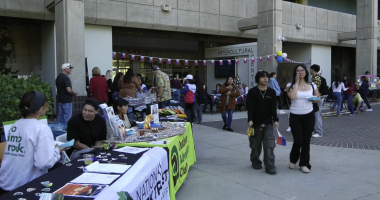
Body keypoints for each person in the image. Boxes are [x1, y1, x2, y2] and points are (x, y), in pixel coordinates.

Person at [0, 91, 64, 192]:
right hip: (24, 187)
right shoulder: (41, 129)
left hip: (5, 183)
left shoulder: (16, 125)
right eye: (46, 106)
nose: (47, 108)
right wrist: (56, 151)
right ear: (39, 108)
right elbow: (43, 163)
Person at [287, 64, 320, 173]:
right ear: (295, 73)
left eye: (302, 70)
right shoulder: (290, 85)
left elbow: (318, 97)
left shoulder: (312, 84)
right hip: (295, 115)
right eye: (298, 71)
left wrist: (315, 99)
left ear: (306, 72)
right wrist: (296, 82)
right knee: (298, 140)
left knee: (306, 141)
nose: (300, 72)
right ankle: (293, 158)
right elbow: (292, 97)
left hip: (309, 115)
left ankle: (304, 164)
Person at [247, 71, 279, 175]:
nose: (265, 79)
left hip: (268, 122)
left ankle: (270, 165)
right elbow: (250, 107)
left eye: (267, 77)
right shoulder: (252, 92)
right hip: (256, 122)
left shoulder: (271, 92)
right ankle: (255, 161)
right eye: (262, 77)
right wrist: (250, 119)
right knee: (256, 144)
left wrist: (276, 119)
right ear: (257, 79)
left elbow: (273, 108)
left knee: (269, 144)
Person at [310, 64, 324, 138]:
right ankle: (317, 130)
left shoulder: (315, 78)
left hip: (317, 99)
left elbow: (315, 90)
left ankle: (318, 131)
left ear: (313, 70)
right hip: (319, 98)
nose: (310, 71)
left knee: (317, 115)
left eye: (310, 69)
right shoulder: (318, 77)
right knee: (317, 115)